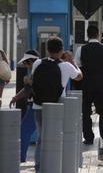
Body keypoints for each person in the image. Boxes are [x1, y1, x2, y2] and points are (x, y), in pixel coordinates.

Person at [31, 37, 82, 171]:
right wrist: (71, 61)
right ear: (61, 50)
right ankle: (54, 166)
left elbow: (32, 80)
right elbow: (79, 76)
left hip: (38, 106)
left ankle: (39, 167)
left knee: (41, 139)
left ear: (47, 50)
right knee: (56, 138)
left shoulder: (37, 63)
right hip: (57, 108)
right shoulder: (66, 66)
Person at [74, 25, 103, 150]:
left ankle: (88, 137)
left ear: (87, 35)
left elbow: (77, 67)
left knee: (86, 112)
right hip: (102, 85)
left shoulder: (81, 50)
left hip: (86, 85)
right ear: (98, 35)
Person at [9, 50, 39, 162]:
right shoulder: (35, 69)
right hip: (33, 105)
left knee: (24, 130)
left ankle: (21, 157)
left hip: (35, 106)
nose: (26, 66)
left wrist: (28, 81)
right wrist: (16, 97)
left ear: (31, 61)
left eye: (26, 63)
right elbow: (27, 89)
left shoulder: (37, 70)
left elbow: (29, 88)